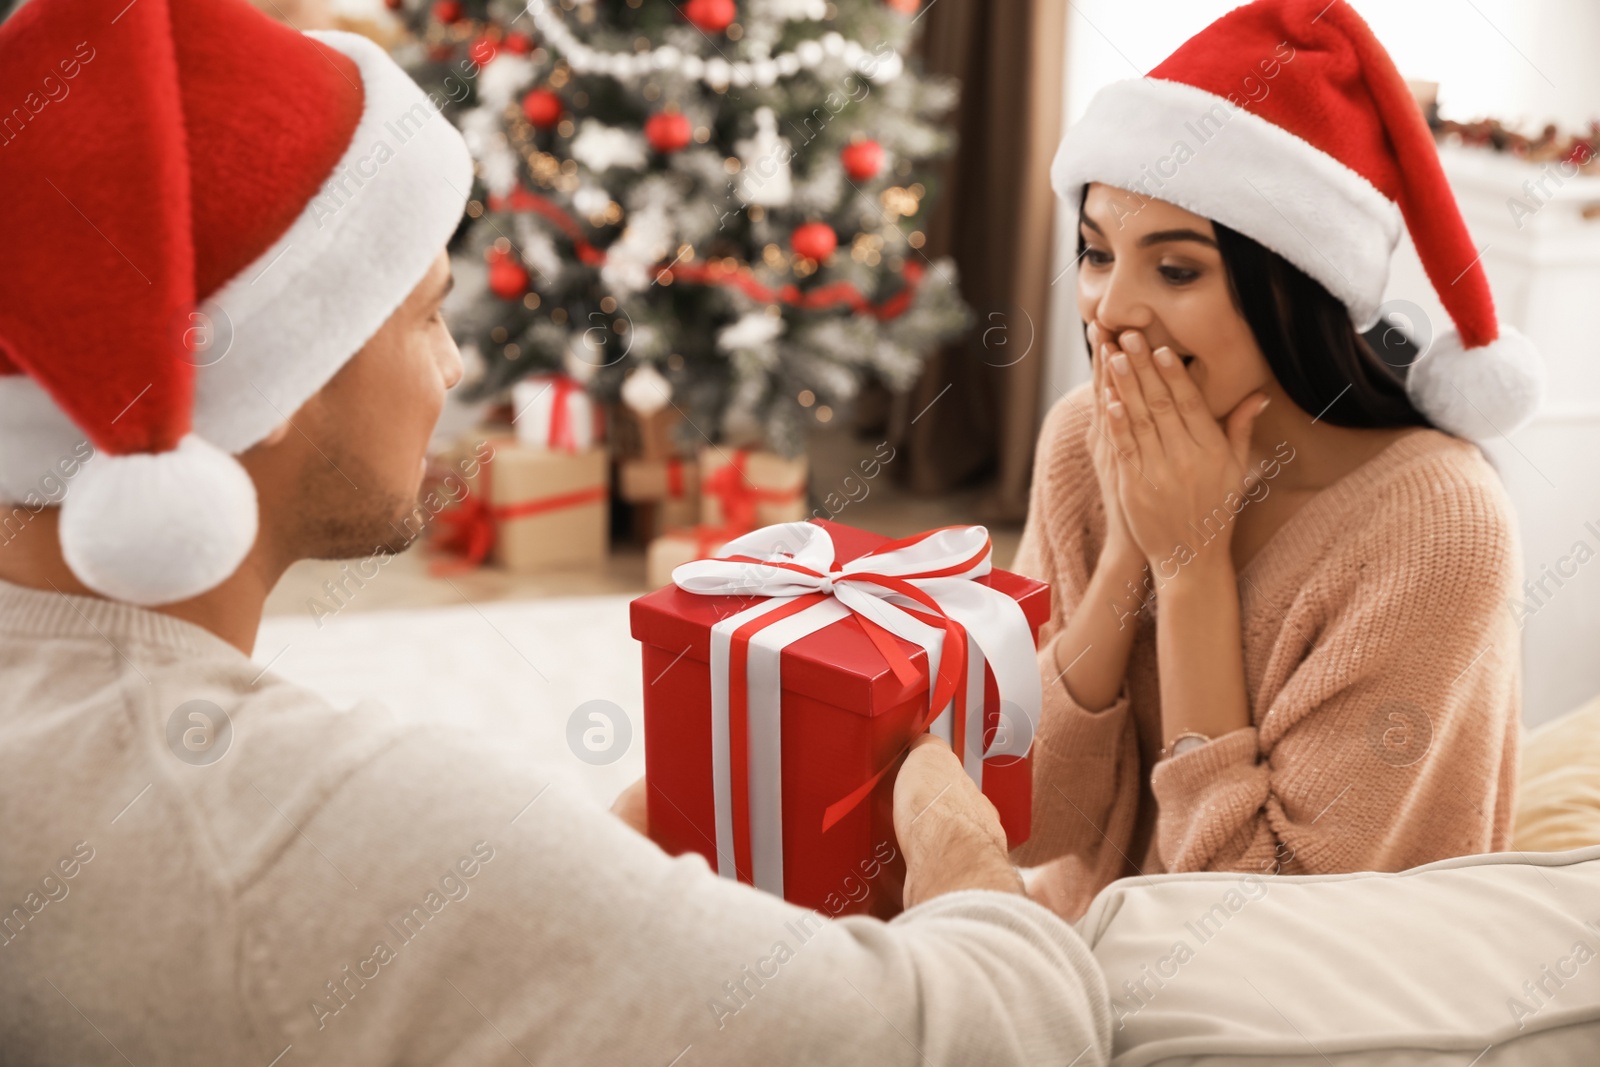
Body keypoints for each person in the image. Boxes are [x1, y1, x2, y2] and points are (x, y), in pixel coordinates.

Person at [0, 0, 1113, 1062]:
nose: (455, 367)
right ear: (282, 369)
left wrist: (588, 900)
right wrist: (963, 847)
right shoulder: (317, 827)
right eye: (429, 313)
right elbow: (1003, 1031)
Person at [1010, 0, 1542, 923]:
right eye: (1098, 254)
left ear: (1293, 285)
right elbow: (1028, 824)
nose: (1110, 309)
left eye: (1176, 270)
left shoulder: (1437, 529)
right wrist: (1133, 545)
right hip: (1075, 966)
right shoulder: (1080, 440)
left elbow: (1260, 933)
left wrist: (1191, 572)